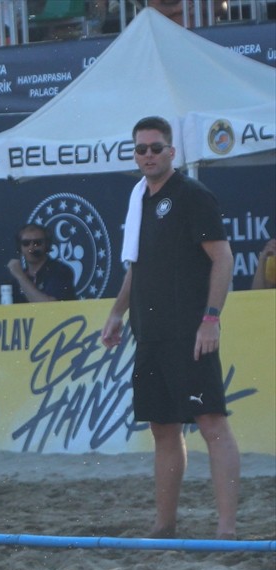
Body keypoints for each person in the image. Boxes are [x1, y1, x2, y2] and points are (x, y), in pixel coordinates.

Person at [100, 115, 239, 540]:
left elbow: (223, 259)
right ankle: (164, 526)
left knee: (212, 423)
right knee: (163, 427)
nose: (147, 155)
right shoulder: (138, 198)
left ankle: (227, 530)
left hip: (190, 330)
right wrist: (118, 313)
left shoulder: (192, 196)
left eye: (155, 148)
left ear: (172, 152)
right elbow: (135, 267)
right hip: (149, 331)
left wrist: (211, 319)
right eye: (140, 149)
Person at [5, 223, 76, 303]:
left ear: (47, 245)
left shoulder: (60, 271)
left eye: (37, 243)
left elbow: (50, 307)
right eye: (26, 243)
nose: (31, 248)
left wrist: (21, 277)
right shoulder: (17, 279)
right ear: (20, 247)